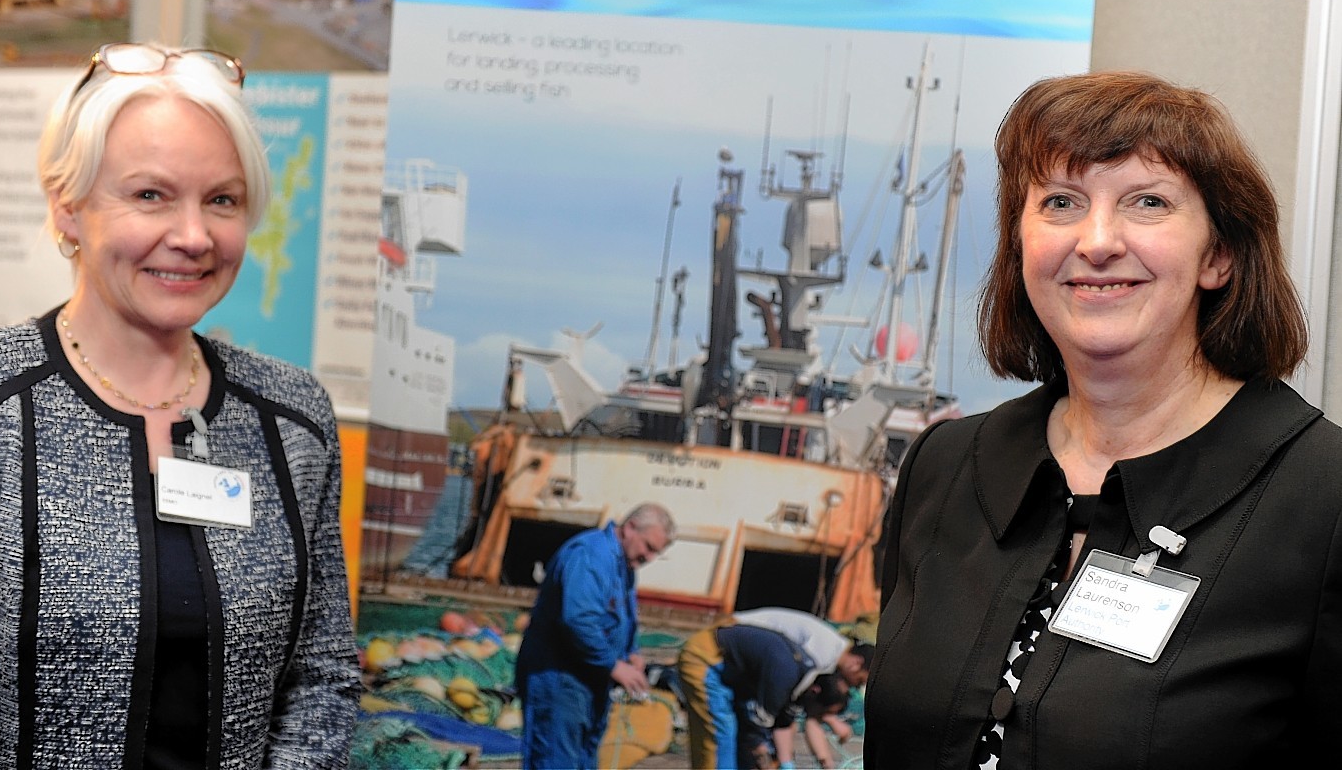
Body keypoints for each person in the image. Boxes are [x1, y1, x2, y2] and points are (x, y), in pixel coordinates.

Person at [864, 71, 1342, 769]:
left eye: (1146, 202)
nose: (1095, 241)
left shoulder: (1322, 499)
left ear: (1218, 255)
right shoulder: (947, 465)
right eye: (1060, 202)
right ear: (1020, 243)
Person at [0, 43, 360, 767]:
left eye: (222, 200)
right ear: (67, 207)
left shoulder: (293, 418)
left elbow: (321, 679)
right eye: (150, 195)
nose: (195, 237)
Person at [514, 502, 675, 769]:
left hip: (591, 679)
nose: (650, 557)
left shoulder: (624, 566)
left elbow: (623, 617)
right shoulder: (591, 555)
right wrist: (614, 665)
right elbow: (578, 620)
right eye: (648, 547)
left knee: (584, 760)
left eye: (656, 552)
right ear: (630, 528)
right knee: (555, 760)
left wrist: (631, 653)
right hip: (560, 677)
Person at [679, 610, 872, 770]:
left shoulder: (810, 674)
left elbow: (788, 719)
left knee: (748, 737)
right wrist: (763, 751)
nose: (857, 686)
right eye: (860, 681)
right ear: (857, 664)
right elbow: (781, 716)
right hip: (712, 655)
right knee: (722, 733)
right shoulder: (820, 655)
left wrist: (789, 763)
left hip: (744, 669)